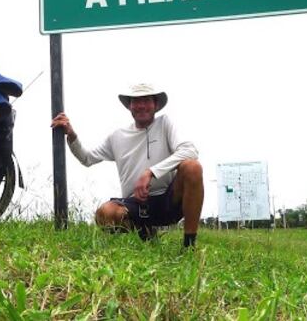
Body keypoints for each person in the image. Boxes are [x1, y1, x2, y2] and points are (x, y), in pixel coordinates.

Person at [51, 83, 204, 246]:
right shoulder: (117, 136)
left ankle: (189, 244)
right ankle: (145, 233)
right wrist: (71, 134)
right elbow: (87, 158)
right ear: (130, 106)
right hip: (136, 204)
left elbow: (190, 150)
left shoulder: (165, 123)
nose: (141, 106)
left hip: (169, 199)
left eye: (146, 100)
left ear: (156, 105)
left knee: (192, 167)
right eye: (136, 101)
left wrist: (150, 172)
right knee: (105, 213)